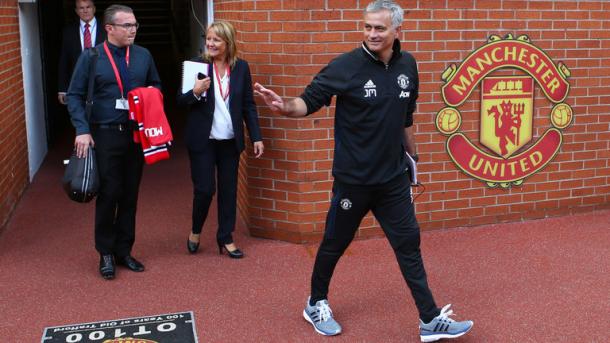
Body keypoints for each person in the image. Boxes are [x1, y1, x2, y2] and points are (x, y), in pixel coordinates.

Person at [254, 1, 473, 341]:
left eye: (379, 28)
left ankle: (429, 319)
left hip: (393, 180)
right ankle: (315, 302)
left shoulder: (408, 66)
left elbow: (405, 119)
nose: (372, 33)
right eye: (368, 26)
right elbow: (307, 101)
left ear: (397, 31)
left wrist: (412, 159)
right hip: (353, 181)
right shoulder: (346, 66)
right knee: (334, 243)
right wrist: (284, 106)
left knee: (408, 244)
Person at [67, 5, 162, 280]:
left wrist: (148, 95)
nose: (132, 29)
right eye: (126, 25)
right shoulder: (92, 56)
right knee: (109, 194)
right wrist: (82, 130)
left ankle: (124, 251)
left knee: (130, 194)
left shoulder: (143, 55)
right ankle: (105, 253)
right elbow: (73, 95)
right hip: (104, 135)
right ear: (109, 28)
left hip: (135, 135)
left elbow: (156, 85)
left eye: (135, 25)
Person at [178, 21, 264, 259]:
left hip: (229, 141)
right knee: (205, 190)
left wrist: (256, 136)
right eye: (208, 38)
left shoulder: (241, 68)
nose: (210, 43)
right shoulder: (197, 66)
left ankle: (225, 237)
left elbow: (248, 104)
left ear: (228, 43)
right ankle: (196, 230)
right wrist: (195, 91)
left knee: (229, 192)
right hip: (203, 141)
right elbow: (180, 102)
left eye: (216, 39)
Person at [58, 0, 106, 105]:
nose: (85, 11)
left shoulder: (107, 29)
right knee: (80, 117)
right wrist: (62, 89)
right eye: (81, 8)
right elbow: (64, 60)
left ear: (94, 9)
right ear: (76, 11)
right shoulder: (68, 31)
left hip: (103, 82)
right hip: (78, 84)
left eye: (88, 7)